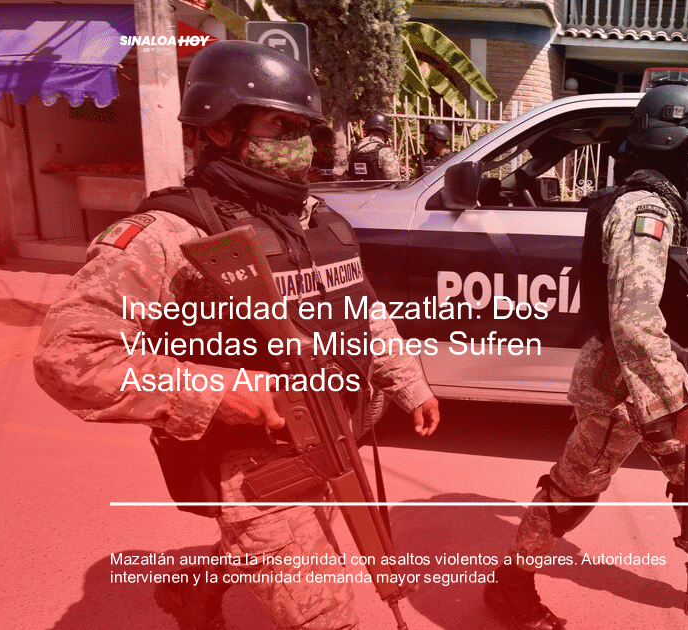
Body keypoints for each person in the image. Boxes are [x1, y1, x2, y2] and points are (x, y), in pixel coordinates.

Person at [33, 40, 441, 630]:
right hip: (250, 459)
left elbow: (359, 308)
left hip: (332, 433)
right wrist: (226, 392)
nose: (300, 142)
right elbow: (68, 357)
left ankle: (192, 591)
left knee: (280, 551)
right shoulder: (166, 234)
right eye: (281, 125)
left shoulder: (316, 221)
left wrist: (408, 382)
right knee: (326, 615)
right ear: (219, 130)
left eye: (305, 127)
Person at [483, 85, 688, 630]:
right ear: (670, 140)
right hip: (622, 389)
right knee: (574, 489)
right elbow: (633, 317)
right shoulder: (643, 209)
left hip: (651, 377)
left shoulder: (660, 202)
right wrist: (684, 398)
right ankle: (509, 588)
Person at [348, 112, 404, 180]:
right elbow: (394, 181)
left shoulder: (355, 149)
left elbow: (350, 175)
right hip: (380, 190)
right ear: (385, 133)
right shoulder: (386, 152)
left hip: (358, 190)